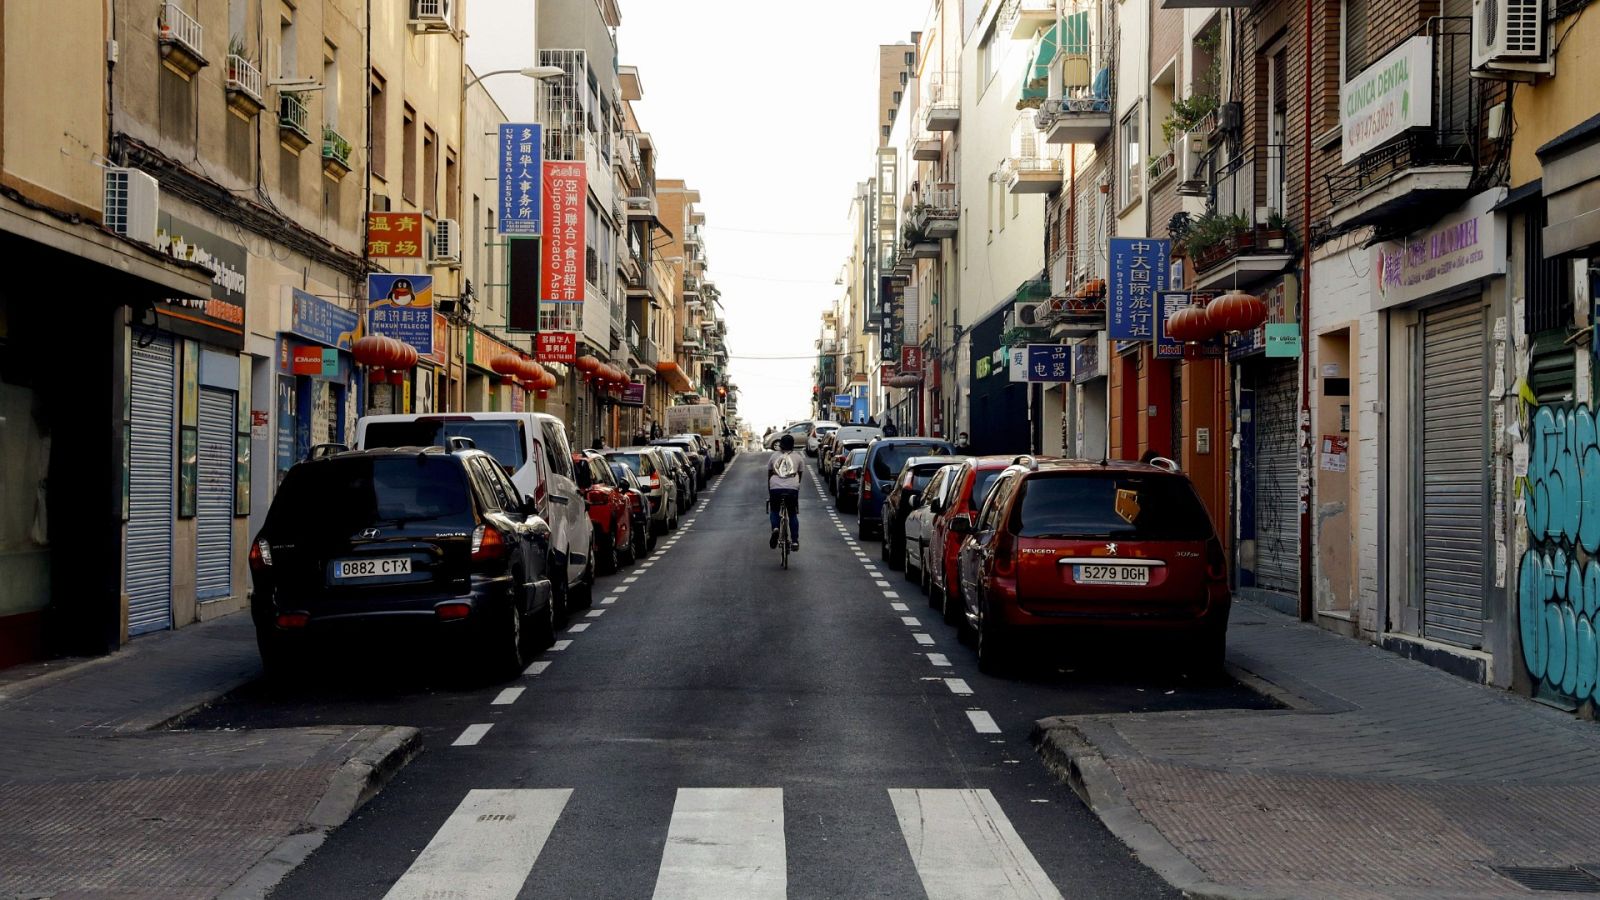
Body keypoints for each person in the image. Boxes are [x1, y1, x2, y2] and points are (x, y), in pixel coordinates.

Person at [767, 434, 802, 551]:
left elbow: (769, 474)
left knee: (775, 510)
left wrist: (771, 490)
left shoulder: (773, 456)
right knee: (792, 514)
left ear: (781, 445)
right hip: (792, 489)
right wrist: (796, 487)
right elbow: (800, 475)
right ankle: (795, 541)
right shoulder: (798, 457)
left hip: (775, 488)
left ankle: (776, 528)